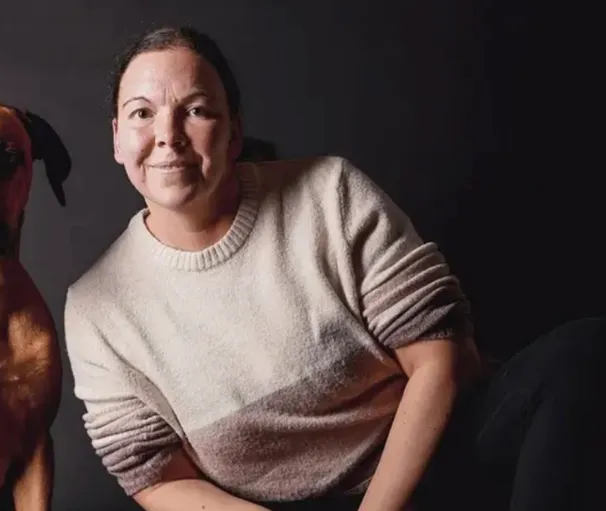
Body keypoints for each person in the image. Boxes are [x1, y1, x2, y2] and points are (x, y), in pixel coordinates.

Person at [62, 25, 603, 511]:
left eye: (198, 110)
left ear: (233, 132)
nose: (168, 135)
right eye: (142, 112)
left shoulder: (330, 193)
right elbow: (159, 480)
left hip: (444, 459)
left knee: (582, 353)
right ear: (116, 137)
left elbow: (442, 359)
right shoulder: (96, 308)